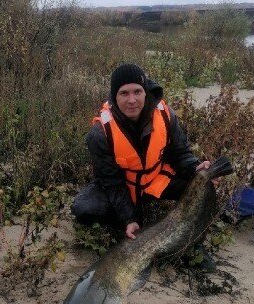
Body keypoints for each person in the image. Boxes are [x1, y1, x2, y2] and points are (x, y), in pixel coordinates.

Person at [72, 63, 213, 240]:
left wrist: (196, 168)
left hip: (158, 180)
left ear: (145, 92)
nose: (132, 100)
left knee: (200, 182)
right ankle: (122, 222)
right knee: (84, 208)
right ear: (114, 97)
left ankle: (195, 238)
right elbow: (111, 182)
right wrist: (129, 218)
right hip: (125, 186)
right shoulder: (99, 133)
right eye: (124, 93)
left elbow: (181, 154)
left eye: (137, 92)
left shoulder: (165, 114)